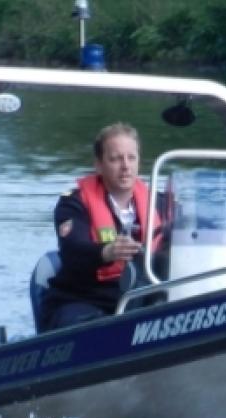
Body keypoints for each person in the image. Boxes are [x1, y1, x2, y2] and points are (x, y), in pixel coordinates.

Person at [40, 122, 162, 331]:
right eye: (115, 159)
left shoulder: (159, 203)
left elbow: (191, 233)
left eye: (131, 158)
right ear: (98, 164)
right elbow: (73, 249)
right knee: (86, 326)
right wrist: (107, 251)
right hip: (84, 299)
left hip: (142, 297)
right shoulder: (73, 204)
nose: (125, 166)